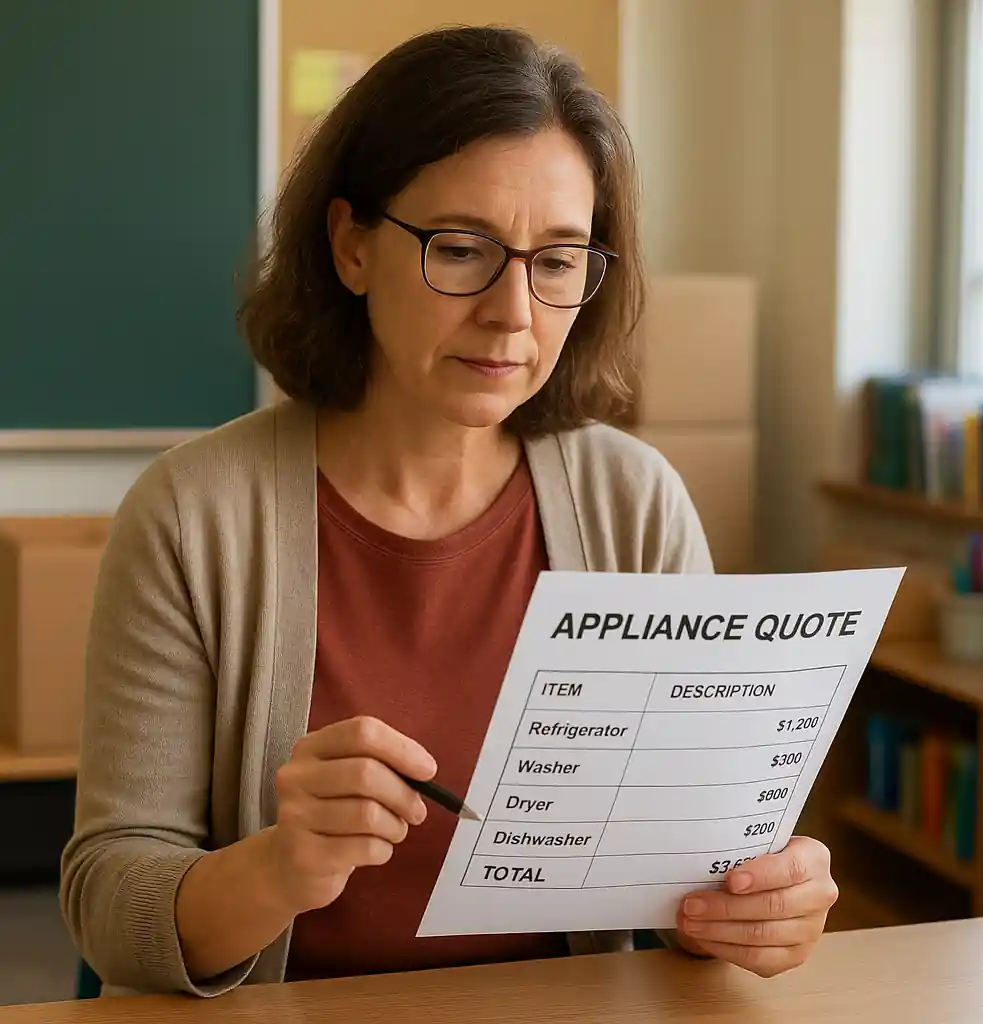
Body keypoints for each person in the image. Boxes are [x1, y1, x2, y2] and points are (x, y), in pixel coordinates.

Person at [59, 24, 838, 998]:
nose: (512, 312)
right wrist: (276, 868)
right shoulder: (192, 514)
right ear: (350, 245)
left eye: (556, 261)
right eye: (462, 249)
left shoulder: (634, 503)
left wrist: (751, 901)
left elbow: (681, 878)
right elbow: (107, 898)